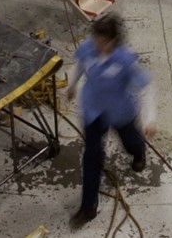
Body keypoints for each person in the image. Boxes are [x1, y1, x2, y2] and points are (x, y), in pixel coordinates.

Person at [66, 14, 156, 229]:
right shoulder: (88, 48)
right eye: (96, 37)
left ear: (115, 39)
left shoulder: (126, 60)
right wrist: (71, 86)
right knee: (91, 157)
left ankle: (139, 150)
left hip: (120, 111)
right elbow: (79, 66)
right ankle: (88, 207)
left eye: (103, 39)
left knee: (131, 141)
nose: (98, 43)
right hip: (93, 111)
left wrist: (150, 120)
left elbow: (147, 88)